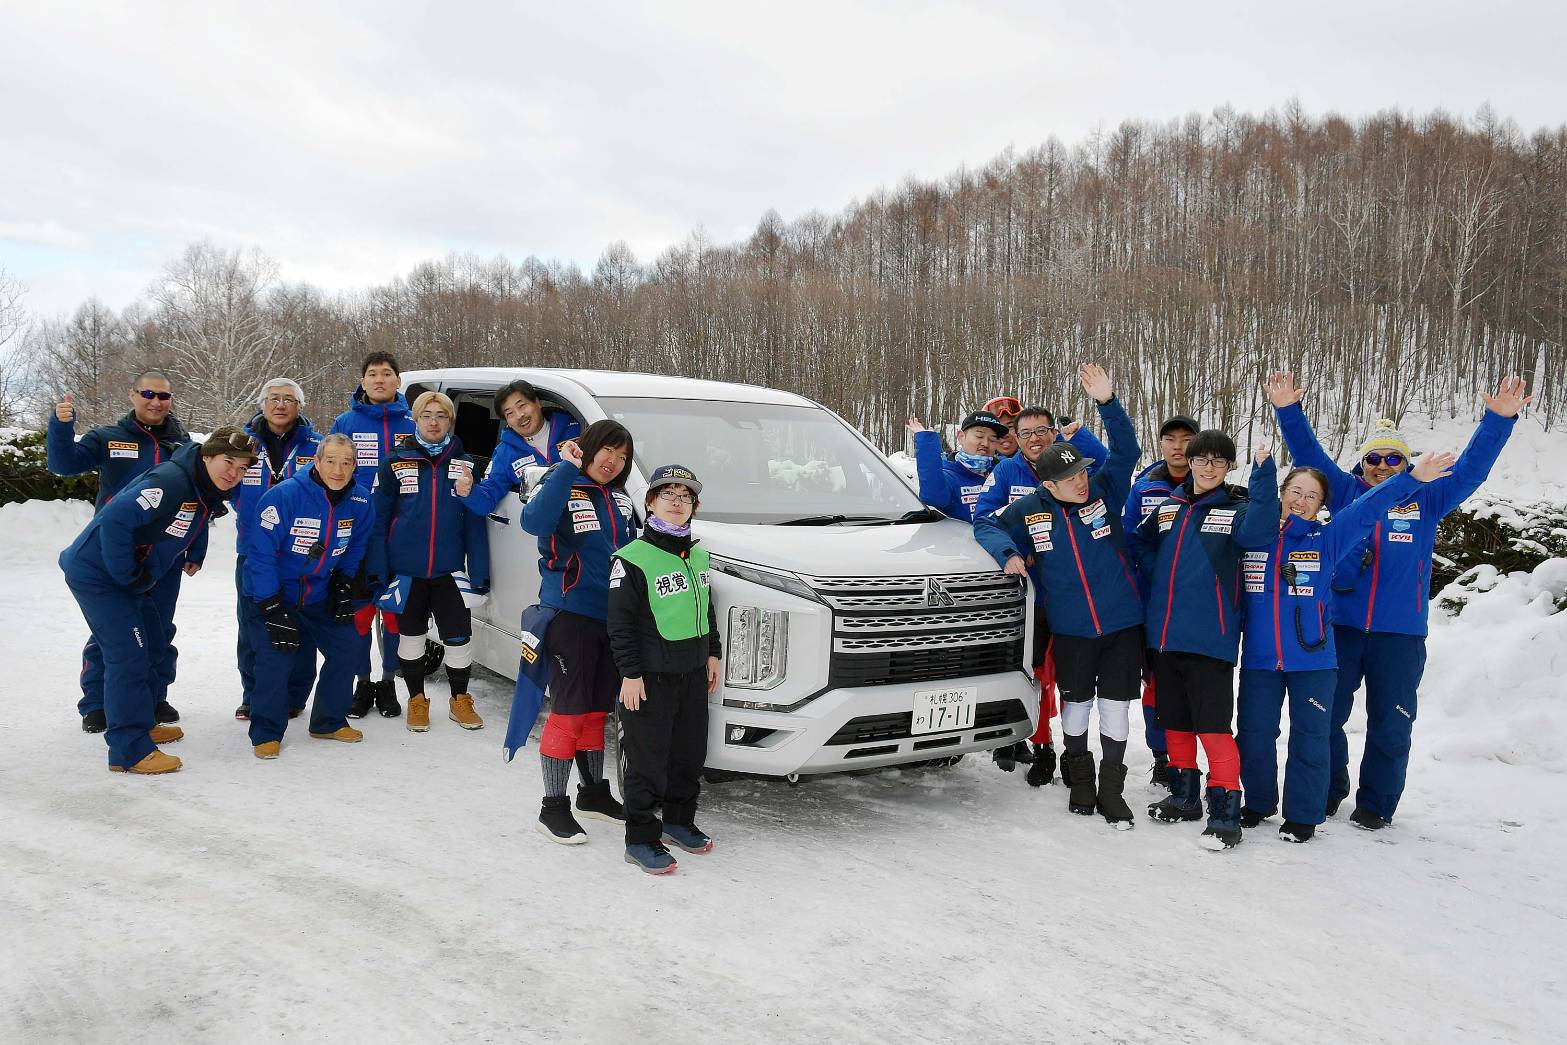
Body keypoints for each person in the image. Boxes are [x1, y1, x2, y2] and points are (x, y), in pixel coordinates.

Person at [1267, 372, 1530, 829]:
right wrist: (1288, 410)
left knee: (1391, 723)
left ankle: (1376, 803)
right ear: (1362, 463)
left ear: (1407, 464)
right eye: (1374, 458)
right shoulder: (1346, 493)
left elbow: (1471, 470)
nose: (1383, 466)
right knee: (1326, 716)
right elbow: (1310, 457)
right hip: (1341, 628)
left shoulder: (1429, 498)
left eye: (1393, 458)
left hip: (1400, 634)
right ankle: (1327, 789)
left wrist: (1498, 420)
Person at [1233, 447, 1456, 842]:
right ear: (1282, 493)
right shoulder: (1253, 540)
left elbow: (1369, 508)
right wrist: (1261, 472)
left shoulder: (1328, 540)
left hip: (1314, 661)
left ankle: (1303, 816)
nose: (1301, 501)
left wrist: (1411, 479)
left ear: (1323, 505)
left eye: (1312, 496)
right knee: (1253, 734)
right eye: (1295, 492)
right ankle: (1258, 802)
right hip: (1260, 660)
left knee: (1311, 739)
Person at [974, 364, 1144, 827]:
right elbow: (985, 523)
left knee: (1115, 707)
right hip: (1071, 628)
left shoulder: (1105, 490)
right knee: (1077, 705)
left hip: (1121, 623)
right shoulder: (1031, 509)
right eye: (1070, 479)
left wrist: (1108, 404)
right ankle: (1082, 784)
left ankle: (1112, 790)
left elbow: (1127, 451)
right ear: (1048, 486)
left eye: (1081, 473)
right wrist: (1008, 552)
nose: (1081, 482)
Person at [59, 428, 255, 773]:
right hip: (99, 575)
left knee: (153, 641)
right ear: (207, 456)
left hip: (127, 578)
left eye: (241, 468)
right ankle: (129, 750)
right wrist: (128, 576)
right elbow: (115, 521)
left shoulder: (201, 485)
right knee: (128, 655)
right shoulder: (171, 481)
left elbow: (189, 522)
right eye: (228, 462)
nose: (234, 473)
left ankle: (142, 720)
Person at [1130, 430, 1276, 850]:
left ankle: (1225, 810)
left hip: (1211, 638)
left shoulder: (1237, 509)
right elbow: (1138, 540)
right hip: (1164, 636)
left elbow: (1261, 530)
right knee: (1174, 720)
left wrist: (1263, 473)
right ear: (1189, 462)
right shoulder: (1168, 507)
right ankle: (1184, 796)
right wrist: (1158, 570)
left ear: (1229, 466)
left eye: (1218, 461)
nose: (1208, 467)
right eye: (1201, 459)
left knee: (1212, 726)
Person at [47, 371, 196, 731]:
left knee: (159, 628)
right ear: (132, 395)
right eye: (148, 394)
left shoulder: (184, 445)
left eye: (163, 396)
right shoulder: (109, 438)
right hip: (115, 553)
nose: (156, 402)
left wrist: (195, 548)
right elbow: (63, 464)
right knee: (113, 630)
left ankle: (154, 697)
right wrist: (60, 426)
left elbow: (197, 498)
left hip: (165, 555)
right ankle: (96, 703)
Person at [975, 405, 1109, 783]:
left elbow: (1109, 466)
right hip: (1031, 596)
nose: (1035, 439)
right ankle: (1042, 747)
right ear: (1015, 439)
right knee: (1037, 676)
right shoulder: (1007, 471)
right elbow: (985, 519)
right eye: (1026, 433)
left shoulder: (1076, 467)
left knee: (1073, 680)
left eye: (1042, 431)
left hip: (1073, 595)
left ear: (1054, 433)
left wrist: (1081, 437)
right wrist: (1013, 551)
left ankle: (1074, 752)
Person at [521, 419, 638, 844]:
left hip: (611, 618)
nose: (613, 461)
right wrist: (567, 468)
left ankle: (593, 793)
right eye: (608, 450)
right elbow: (533, 521)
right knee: (569, 711)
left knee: (595, 711)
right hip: (568, 614)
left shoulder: (619, 499)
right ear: (588, 447)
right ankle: (552, 807)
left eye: (622, 456)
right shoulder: (561, 482)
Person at [607, 465, 723, 874]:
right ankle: (640, 838)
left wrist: (713, 652)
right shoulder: (631, 559)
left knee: (689, 754)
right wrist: (630, 673)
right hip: (649, 679)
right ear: (651, 502)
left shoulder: (699, 555)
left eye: (685, 496)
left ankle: (677, 820)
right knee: (647, 761)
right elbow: (619, 624)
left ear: (694, 506)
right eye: (668, 494)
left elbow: (706, 607)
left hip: (692, 673)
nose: (678, 502)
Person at [242, 434, 375, 758]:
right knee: (276, 658)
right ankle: (266, 732)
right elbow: (260, 555)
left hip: (318, 593)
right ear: (316, 461)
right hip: (273, 593)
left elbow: (356, 546)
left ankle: (328, 721)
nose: (338, 470)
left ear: (355, 466)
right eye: (331, 461)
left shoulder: (360, 501)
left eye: (346, 462)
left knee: (348, 646)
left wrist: (343, 583)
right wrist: (272, 606)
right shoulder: (284, 496)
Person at [367, 391, 491, 734]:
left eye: (441, 416)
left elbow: (475, 523)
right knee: (411, 638)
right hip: (407, 571)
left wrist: (479, 571)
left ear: (450, 421)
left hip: (450, 570)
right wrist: (378, 570)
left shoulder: (465, 464)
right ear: (416, 419)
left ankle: (459, 700)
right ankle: (417, 700)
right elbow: (379, 521)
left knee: (459, 638)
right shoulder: (394, 462)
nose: (434, 422)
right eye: (427, 415)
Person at [329, 351, 417, 719]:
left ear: (398, 380)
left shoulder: (413, 422)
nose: (379, 380)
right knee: (360, 614)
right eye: (372, 374)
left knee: (394, 614)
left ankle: (388, 682)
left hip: (401, 536)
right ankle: (362, 682)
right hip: (358, 536)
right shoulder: (346, 422)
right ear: (363, 381)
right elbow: (330, 473)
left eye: (386, 373)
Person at [231, 378, 321, 722]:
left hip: (301, 554)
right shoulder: (242, 443)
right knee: (252, 628)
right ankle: (253, 695)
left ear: (299, 407)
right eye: (274, 399)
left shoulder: (316, 445)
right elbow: (225, 483)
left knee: (301, 628)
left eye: (288, 399)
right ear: (262, 405)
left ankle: (294, 696)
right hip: (254, 551)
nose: (281, 405)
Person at [1123, 414, 1198, 790]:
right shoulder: (1144, 488)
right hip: (1153, 602)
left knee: (1194, 685)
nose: (1178, 447)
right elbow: (1131, 539)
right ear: (1161, 444)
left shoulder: (1211, 485)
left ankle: (1190, 759)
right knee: (1155, 683)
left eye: (1186, 439)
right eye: (1171, 439)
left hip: (1198, 605)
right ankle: (1161, 756)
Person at [462, 378, 582, 516]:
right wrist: (469, 491)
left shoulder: (575, 427)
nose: (519, 416)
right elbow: (488, 499)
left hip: (585, 516)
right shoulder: (505, 453)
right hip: (542, 523)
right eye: (510, 413)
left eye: (522, 406)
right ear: (507, 421)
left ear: (537, 402)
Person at [904, 409, 1008, 521]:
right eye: (979, 436)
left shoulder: (1002, 474)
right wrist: (927, 443)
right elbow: (934, 496)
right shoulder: (949, 477)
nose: (985, 443)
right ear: (961, 437)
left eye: (992, 439)